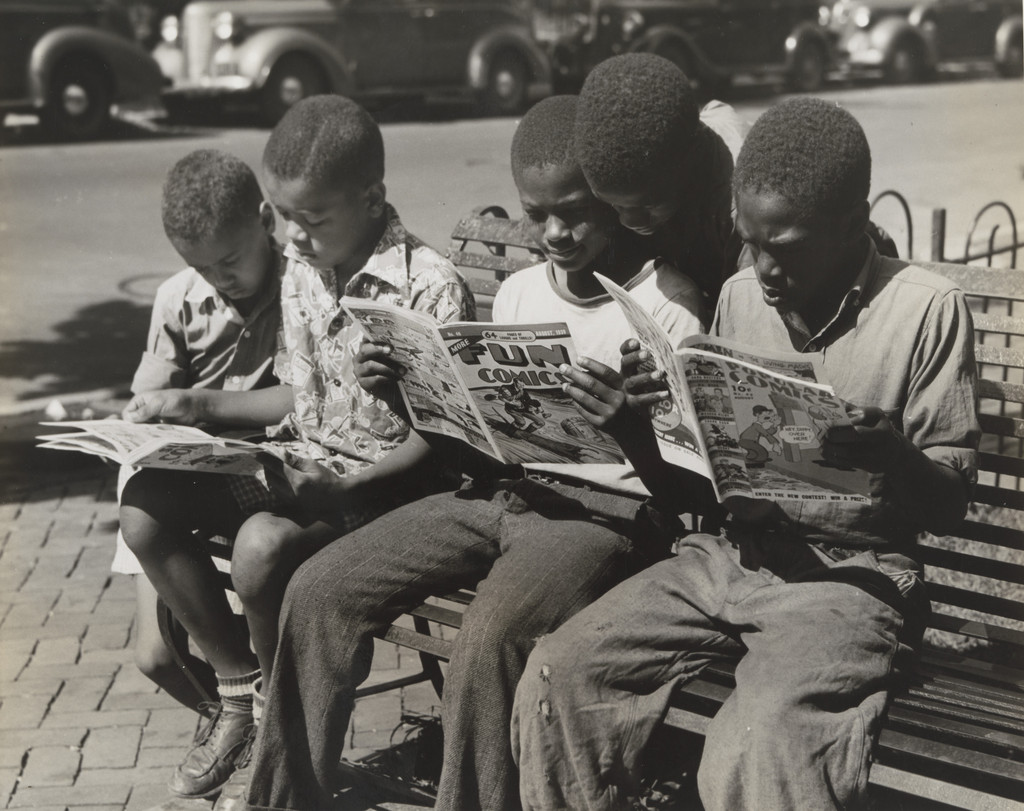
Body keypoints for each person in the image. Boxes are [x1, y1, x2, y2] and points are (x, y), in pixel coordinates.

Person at [239, 95, 709, 811]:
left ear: (613, 201)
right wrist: (406, 395)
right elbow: (482, 449)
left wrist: (632, 428)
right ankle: (282, 798)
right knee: (321, 586)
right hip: (501, 493)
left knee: (489, 638)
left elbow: (684, 495)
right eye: (536, 212)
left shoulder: (667, 306)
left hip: (604, 518)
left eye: (577, 211)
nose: (555, 231)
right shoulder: (519, 291)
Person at [512, 97, 980, 811]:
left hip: (848, 579)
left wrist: (894, 457)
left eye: (784, 248)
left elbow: (950, 500)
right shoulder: (738, 296)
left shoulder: (924, 310)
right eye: (748, 241)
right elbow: (705, 487)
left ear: (852, 226)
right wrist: (636, 433)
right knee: (558, 672)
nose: (762, 268)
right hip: (729, 556)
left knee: (758, 738)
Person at [119, 95, 475, 803]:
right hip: (303, 460)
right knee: (143, 506)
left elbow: (445, 445)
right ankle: (241, 691)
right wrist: (197, 408)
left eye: (309, 220)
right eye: (284, 218)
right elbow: (299, 395)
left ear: (372, 198)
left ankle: (279, 730)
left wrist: (347, 488)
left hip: (383, 490)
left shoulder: (430, 287)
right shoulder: (307, 271)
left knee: (258, 546)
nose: (291, 237)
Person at [112, 148, 284, 717]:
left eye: (230, 261)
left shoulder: (300, 290)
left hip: (255, 481)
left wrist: (197, 405)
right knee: (157, 659)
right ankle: (242, 732)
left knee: (240, 634)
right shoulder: (177, 299)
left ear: (266, 221)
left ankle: (254, 736)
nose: (218, 279)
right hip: (176, 480)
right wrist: (138, 422)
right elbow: (150, 404)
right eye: (201, 267)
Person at [573, 53, 745, 305]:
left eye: (648, 205)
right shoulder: (646, 164)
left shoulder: (743, 208)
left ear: (690, 163)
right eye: (615, 205)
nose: (630, 220)